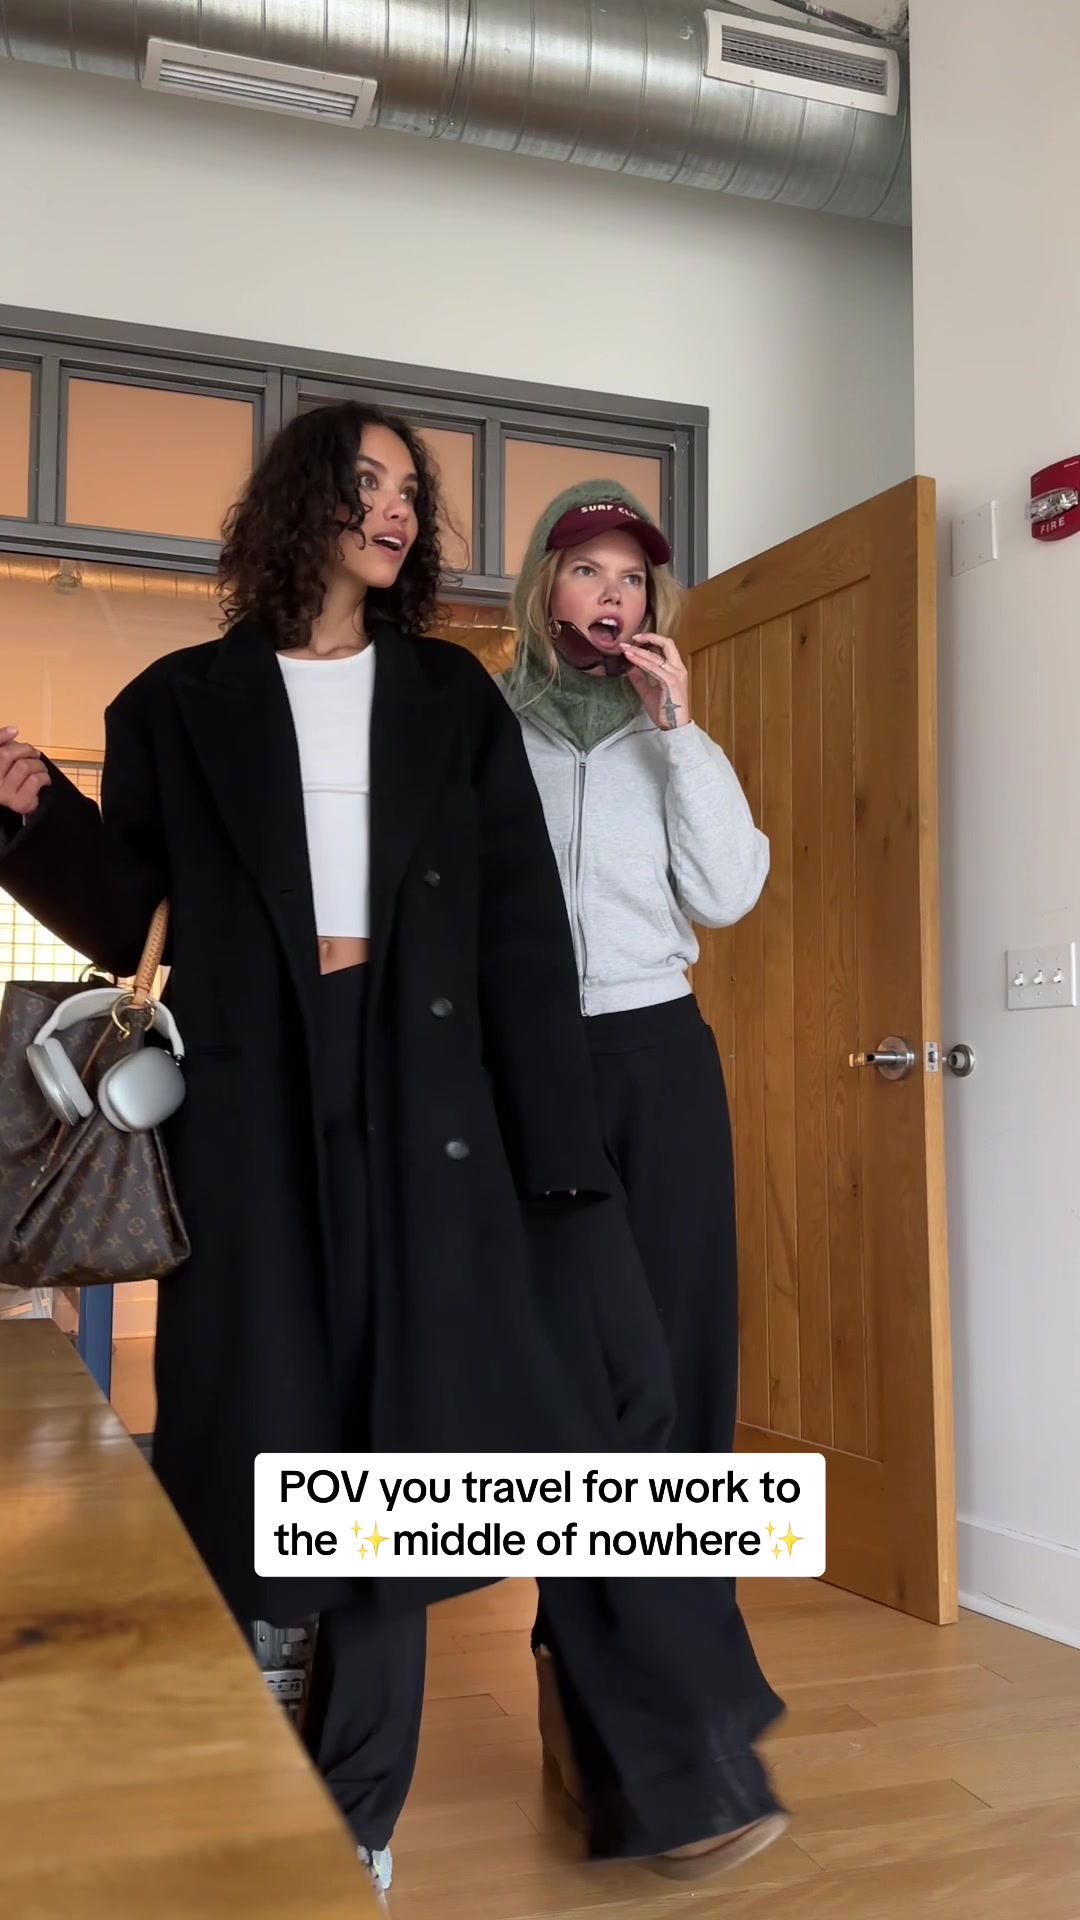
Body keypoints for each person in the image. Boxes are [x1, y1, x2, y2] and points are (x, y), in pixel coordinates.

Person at [0, 411, 671, 1893]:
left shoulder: (446, 694)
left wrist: (557, 1152)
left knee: (400, 1444)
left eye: (412, 491)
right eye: (368, 481)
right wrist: (34, 821)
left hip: (428, 1097)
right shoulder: (175, 702)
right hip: (248, 1096)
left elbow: (518, 930)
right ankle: (238, 1744)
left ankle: (360, 1810)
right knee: (248, 1418)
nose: (397, 508)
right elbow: (138, 924)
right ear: (301, 499)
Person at [503, 479, 787, 1877]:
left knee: (680, 1385)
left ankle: (662, 1748)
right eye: (586, 570)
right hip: (529, 1074)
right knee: (578, 1401)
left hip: (661, 1060)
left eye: (632, 576)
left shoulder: (669, 734)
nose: (611, 594)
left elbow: (728, 894)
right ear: (544, 590)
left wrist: (683, 736)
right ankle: (625, 1733)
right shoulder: (483, 729)